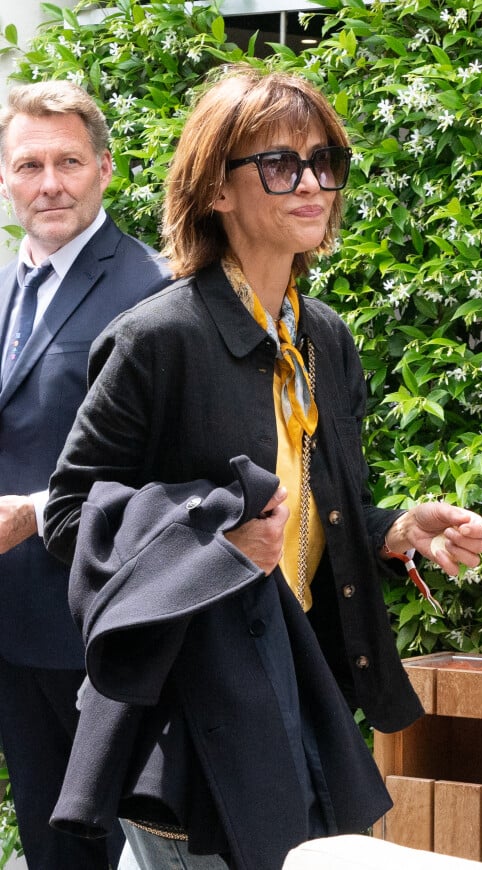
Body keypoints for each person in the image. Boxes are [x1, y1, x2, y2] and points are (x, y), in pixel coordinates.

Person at [43, 66, 482, 870]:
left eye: (326, 162)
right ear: (216, 188)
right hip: (196, 717)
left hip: (309, 696)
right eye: (281, 165)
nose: (313, 183)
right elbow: (72, 513)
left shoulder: (324, 336)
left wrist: (395, 531)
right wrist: (214, 548)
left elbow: (316, 505)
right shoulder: (158, 339)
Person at [0, 80, 171, 870]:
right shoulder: (2, 283)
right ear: (5, 177)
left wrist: (38, 509)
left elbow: (172, 471)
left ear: (106, 168)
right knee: (43, 845)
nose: (49, 183)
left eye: (68, 161)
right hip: (7, 631)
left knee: (99, 847)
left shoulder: (154, 290)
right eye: (28, 164)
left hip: (90, 628)